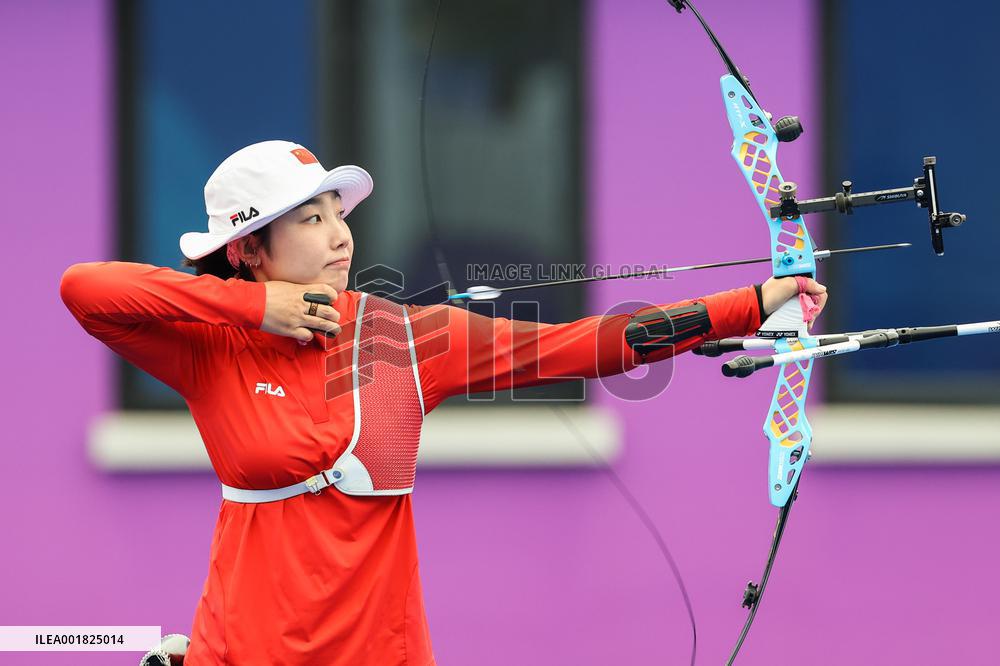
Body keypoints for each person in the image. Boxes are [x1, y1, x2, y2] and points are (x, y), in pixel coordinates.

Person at [60, 140, 827, 665]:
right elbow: (86, 289)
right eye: (309, 219)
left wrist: (753, 303)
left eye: (337, 215)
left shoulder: (402, 339)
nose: (338, 238)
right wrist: (255, 311)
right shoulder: (210, 347)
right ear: (249, 249)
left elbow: (589, 345)